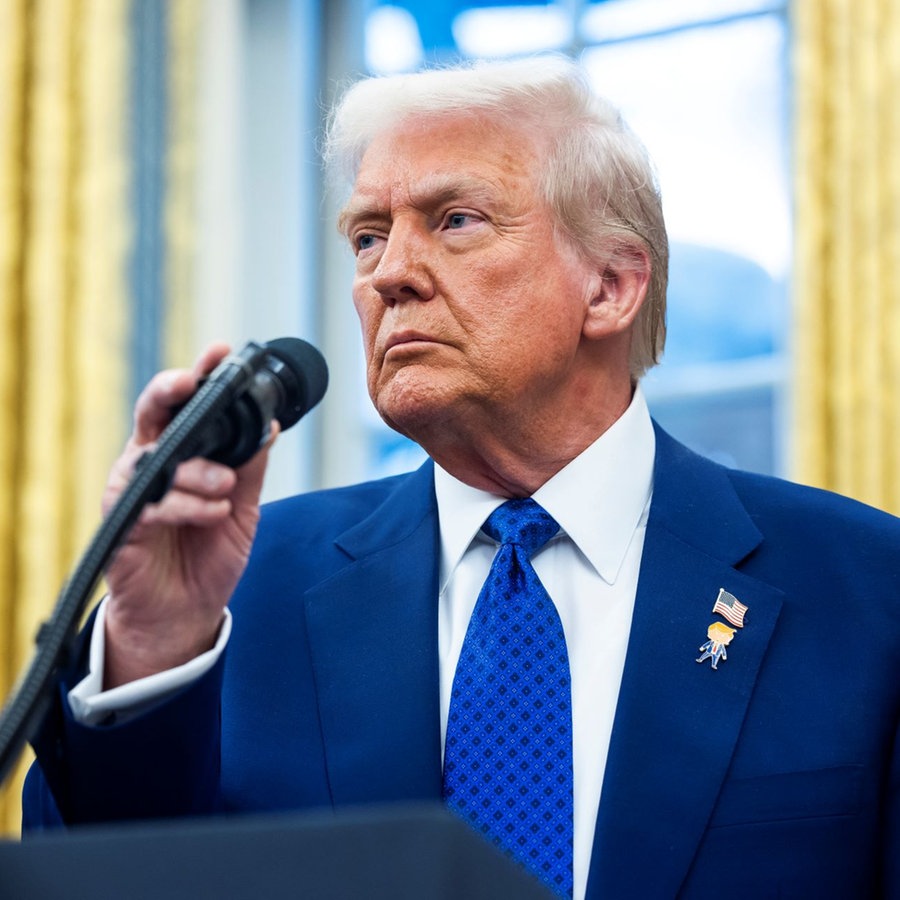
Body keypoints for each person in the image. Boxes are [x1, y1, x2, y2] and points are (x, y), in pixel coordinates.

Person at [22, 56, 900, 899]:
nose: (388, 275)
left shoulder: (867, 588)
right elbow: (101, 877)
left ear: (609, 287)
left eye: (455, 221)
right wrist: (153, 643)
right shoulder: (240, 595)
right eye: (368, 236)